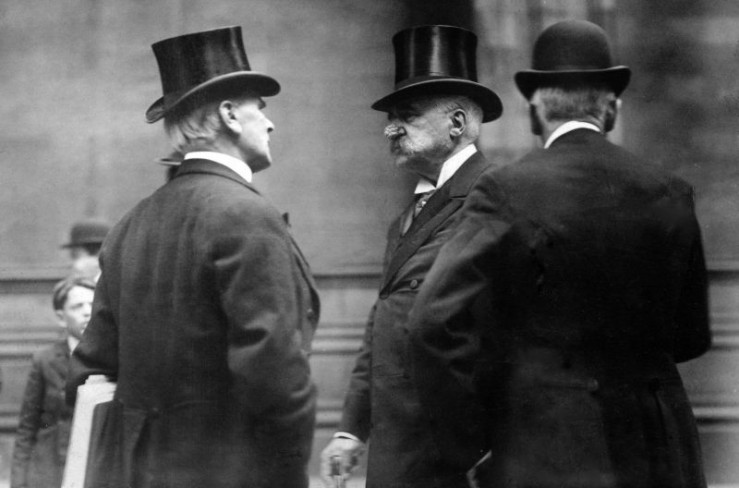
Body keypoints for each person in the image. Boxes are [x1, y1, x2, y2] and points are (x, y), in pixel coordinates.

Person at [407, 20, 711, 488]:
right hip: (658, 448)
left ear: (535, 111)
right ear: (612, 108)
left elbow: (432, 321)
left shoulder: (505, 191)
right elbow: (690, 337)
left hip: (547, 447)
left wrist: (468, 440)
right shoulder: (672, 193)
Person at [66, 26, 319, 488]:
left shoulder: (129, 225)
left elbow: (88, 369)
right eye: (260, 108)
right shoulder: (246, 214)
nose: (270, 123)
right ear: (229, 115)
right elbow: (274, 375)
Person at [320, 25, 503, 488]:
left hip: (458, 455)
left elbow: (510, 331)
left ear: (457, 123)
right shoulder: (405, 219)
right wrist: (351, 428)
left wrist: (484, 445)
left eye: (408, 115)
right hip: (401, 448)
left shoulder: (496, 199)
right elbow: (384, 320)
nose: (390, 128)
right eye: (390, 117)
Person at [12, 276, 96, 488]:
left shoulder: (116, 358)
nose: (87, 312)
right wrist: (19, 482)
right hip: (52, 470)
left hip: (96, 467)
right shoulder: (45, 360)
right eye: (77, 306)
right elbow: (27, 428)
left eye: (92, 304)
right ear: (61, 317)